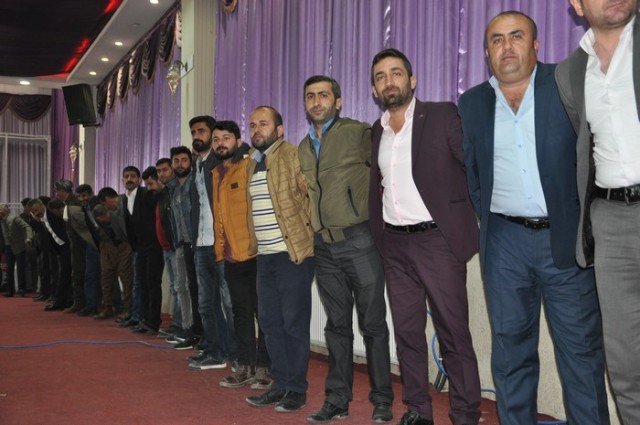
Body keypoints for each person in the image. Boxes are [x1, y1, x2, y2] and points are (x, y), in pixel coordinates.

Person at [458, 11, 610, 425]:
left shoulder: (565, 85)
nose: (506, 46)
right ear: (486, 52)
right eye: (496, 40)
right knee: (510, 355)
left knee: (581, 355)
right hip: (505, 245)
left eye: (516, 36)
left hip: (565, 240)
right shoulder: (472, 103)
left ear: (536, 44)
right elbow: (474, 176)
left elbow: (594, 158)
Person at [369, 48, 481, 425]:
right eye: (381, 76)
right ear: (374, 89)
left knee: (453, 333)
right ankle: (418, 409)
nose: (389, 81)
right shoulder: (377, 131)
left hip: (437, 242)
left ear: (412, 80)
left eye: (396, 73)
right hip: (395, 245)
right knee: (407, 333)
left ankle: (465, 413)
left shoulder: (442, 115)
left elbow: (472, 167)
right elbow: (379, 185)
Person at [556, 1, 640, 423]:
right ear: (576, 4)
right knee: (625, 366)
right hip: (610, 221)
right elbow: (584, 143)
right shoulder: (571, 71)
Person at [298, 75, 394, 424]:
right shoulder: (303, 147)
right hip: (324, 247)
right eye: (311, 96)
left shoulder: (357, 133)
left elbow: (389, 170)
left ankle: (382, 400)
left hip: (360, 242)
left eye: (324, 95)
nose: (317, 101)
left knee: (373, 325)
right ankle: (337, 399)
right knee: (336, 326)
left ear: (337, 102)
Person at [243, 106, 315, 413]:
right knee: (270, 324)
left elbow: (310, 198)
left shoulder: (292, 155)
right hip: (265, 257)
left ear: (280, 129)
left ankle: (296, 389)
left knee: (294, 324)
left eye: (263, 123)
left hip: (291, 255)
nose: (256, 129)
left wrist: (307, 237)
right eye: (252, 125)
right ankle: (281, 383)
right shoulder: (251, 162)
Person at [210, 120, 271, 389]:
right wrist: (220, 250)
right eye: (216, 140)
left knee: (263, 314)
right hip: (231, 257)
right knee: (240, 314)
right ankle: (245, 366)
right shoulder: (216, 172)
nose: (220, 143)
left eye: (226, 138)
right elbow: (219, 216)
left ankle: (265, 368)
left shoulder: (250, 165)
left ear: (238, 140)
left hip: (255, 254)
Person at [185, 115, 234, 370]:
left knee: (229, 303)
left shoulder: (222, 162)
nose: (197, 136)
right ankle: (215, 352)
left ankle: (237, 357)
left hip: (222, 244)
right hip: (201, 244)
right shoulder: (196, 165)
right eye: (194, 132)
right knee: (206, 304)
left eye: (202, 131)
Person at [119, 166, 164, 333]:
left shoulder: (147, 194)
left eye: (133, 176)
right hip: (138, 249)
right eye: (126, 176)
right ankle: (141, 318)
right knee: (140, 284)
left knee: (152, 284)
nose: (129, 179)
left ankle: (153, 321)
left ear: (139, 180)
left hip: (153, 247)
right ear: (122, 180)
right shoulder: (124, 199)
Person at [143, 165, 181, 336]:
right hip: (165, 248)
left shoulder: (170, 194)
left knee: (179, 288)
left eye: (151, 184)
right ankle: (177, 324)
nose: (148, 188)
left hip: (174, 247)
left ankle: (180, 325)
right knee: (174, 287)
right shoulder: (159, 197)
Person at [93, 187, 131, 320]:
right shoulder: (98, 212)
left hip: (124, 245)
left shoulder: (124, 205)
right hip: (107, 247)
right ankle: (107, 307)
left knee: (126, 277)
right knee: (106, 277)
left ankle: (128, 309)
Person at [0, 204, 33, 297]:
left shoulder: (14, 218)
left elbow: (27, 227)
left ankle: (22, 289)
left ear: (5, 211)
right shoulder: (1, 220)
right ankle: (10, 290)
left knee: (20, 268)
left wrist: (29, 238)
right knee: (9, 268)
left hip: (19, 246)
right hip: (8, 247)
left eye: (0, 210)